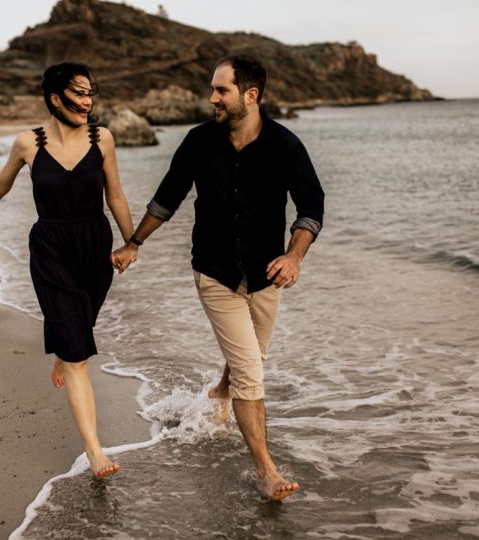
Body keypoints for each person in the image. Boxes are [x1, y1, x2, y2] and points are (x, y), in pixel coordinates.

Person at [112, 55, 324, 500]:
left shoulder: (285, 145)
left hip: (267, 275)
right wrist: (134, 243)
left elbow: (310, 207)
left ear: (251, 95)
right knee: (251, 373)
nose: (212, 98)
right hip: (215, 272)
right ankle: (266, 471)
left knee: (251, 358)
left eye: (221, 90)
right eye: (213, 89)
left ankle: (216, 394)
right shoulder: (198, 141)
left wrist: (294, 256)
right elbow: (166, 200)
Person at [0, 62, 135, 480]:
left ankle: (63, 350)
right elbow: (1, 183)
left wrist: (133, 242)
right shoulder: (28, 143)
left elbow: (116, 193)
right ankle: (94, 450)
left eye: (91, 93)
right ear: (56, 98)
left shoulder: (102, 138)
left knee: (79, 326)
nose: (87, 102)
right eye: (79, 94)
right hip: (51, 248)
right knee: (78, 354)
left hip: (95, 246)